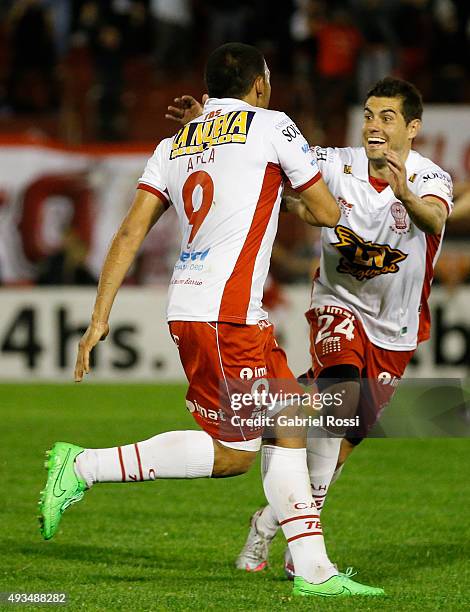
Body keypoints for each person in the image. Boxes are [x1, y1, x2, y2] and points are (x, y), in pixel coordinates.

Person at [38, 43, 383, 599]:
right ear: (261, 85)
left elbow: (129, 233)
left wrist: (98, 317)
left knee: (287, 423)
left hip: (200, 308)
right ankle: (83, 467)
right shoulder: (273, 125)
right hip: (226, 315)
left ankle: (315, 572)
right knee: (234, 455)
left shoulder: (173, 143)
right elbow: (326, 212)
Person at [166, 76, 454, 576]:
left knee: (343, 438)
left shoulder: (431, 178)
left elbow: (432, 221)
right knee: (340, 390)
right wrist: (204, 127)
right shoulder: (334, 162)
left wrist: (405, 195)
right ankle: (307, 556)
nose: (374, 126)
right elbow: (260, 152)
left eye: (387, 118)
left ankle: (266, 525)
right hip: (338, 303)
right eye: (368, 114)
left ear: (413, 127)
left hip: (396, 329)